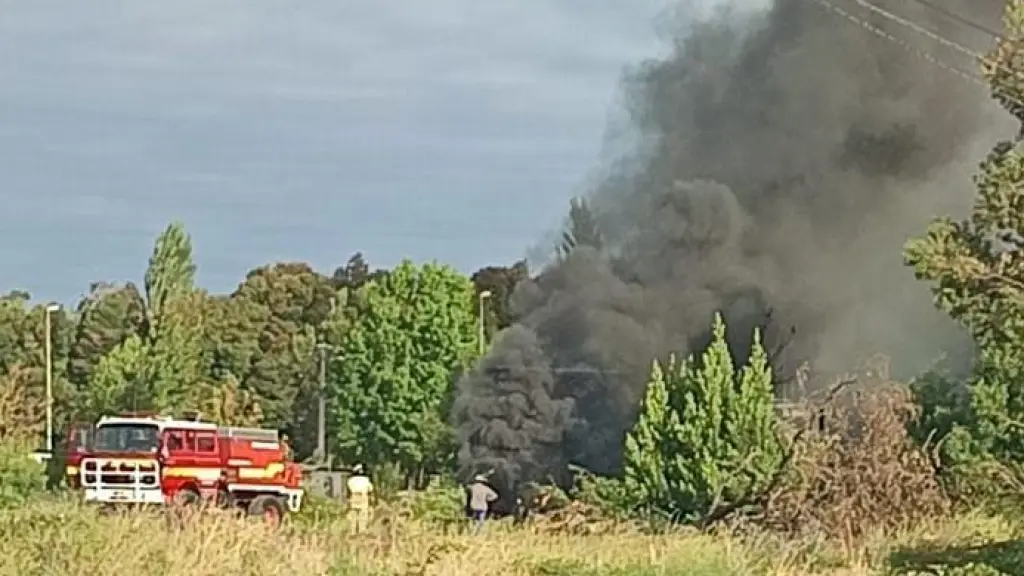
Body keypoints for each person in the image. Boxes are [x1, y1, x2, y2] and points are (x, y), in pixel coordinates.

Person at [346, 464, 374, 534]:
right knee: (363, 515)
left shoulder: (350, 480)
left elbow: (348, 490)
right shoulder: (366, 479)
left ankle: (353, 531)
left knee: (354, 515)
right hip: (363, 496)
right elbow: (370, 489)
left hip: (354, 497)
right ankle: (362, 531)